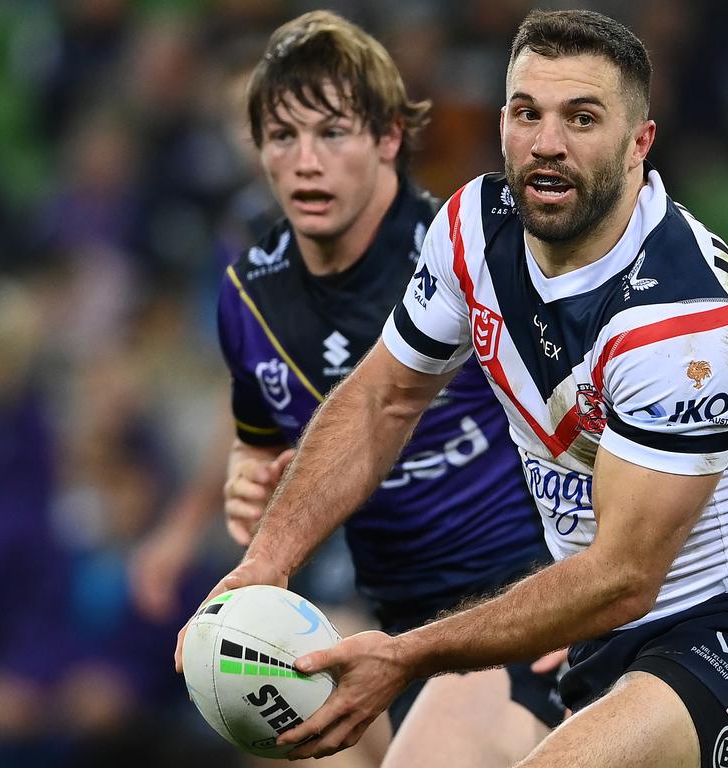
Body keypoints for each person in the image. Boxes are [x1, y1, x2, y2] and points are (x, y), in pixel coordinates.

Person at [180, 10, 728, 767]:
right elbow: (384, 398)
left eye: (582, 118)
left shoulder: (684, 328)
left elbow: (623, 578)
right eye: (527, 113)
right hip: (586, 628)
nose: (547, 143)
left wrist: (408, 655)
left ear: (640, 144)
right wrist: (266, 562)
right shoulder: (473, 225)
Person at [184, 10, 565, 766]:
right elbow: (262, 442)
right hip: (385, 627)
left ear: (390, 137)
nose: (305, 163)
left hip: (523, 614)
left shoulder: (476, 254)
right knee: (284, 744)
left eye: (332, 134)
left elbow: (602, 424)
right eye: (282, 137)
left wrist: (589, 589)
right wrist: (246, 482)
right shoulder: (248, 298)